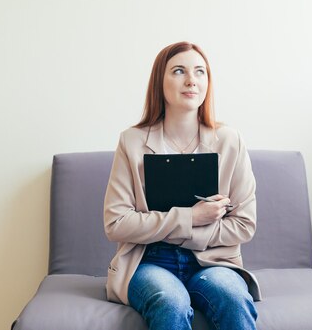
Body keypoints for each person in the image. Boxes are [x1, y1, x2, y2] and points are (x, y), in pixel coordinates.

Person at [103, 41, 261, 330]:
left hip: (214, 262)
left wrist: (172, 230)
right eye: (179, 71)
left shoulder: (230, 141)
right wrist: (192, 218)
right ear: (159, 82)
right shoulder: (132, 142)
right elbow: (116, 223)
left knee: (233, 298)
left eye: (200, 71)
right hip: (149, 261)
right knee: (170, 301)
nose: (191, 80)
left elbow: (244, 225)